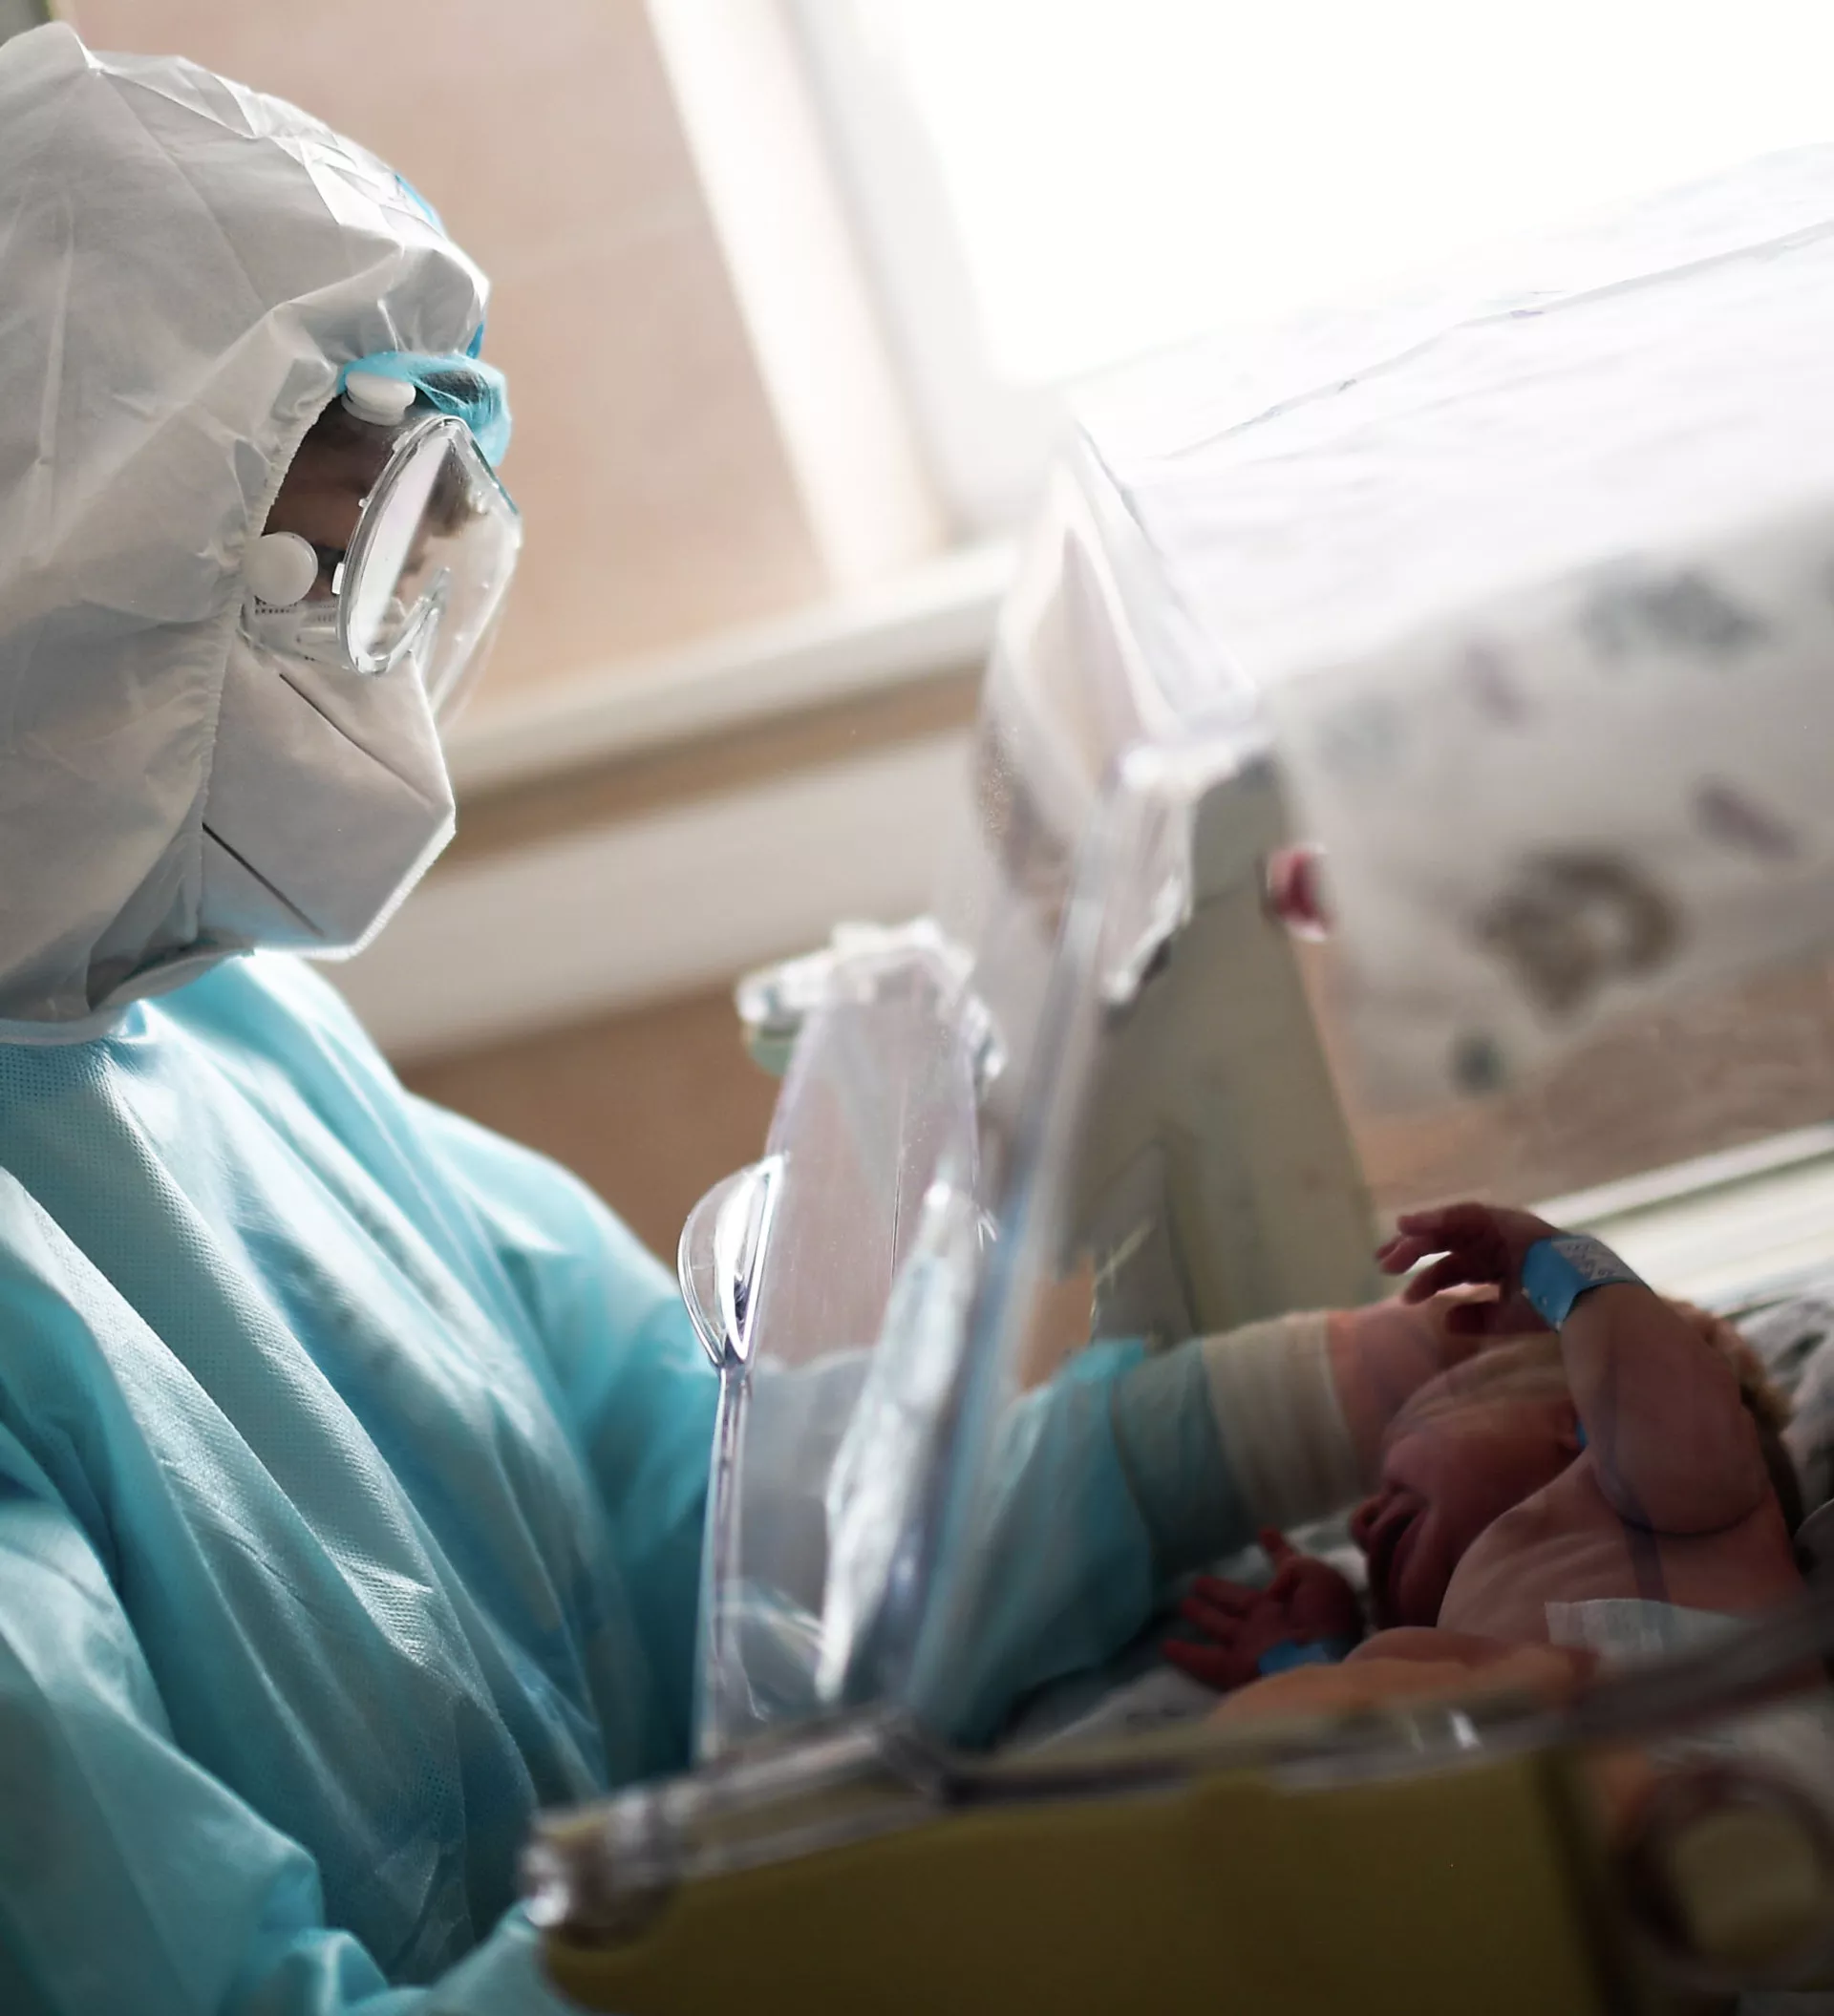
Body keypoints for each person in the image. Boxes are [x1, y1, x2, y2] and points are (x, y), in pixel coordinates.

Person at [0, 25, 1488, 2011]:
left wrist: (1273, 1409)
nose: (378, 691)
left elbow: (724, 1551)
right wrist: (926, 1910)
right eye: (319, 583)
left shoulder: (227, 1033)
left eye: (414, 577)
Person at [1174, 1202, 1806, 1722]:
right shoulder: (1470, 1644)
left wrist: (1554, 1263)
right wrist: (1310, 1661)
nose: (1360, 1523)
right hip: (1553, 1802)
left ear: (1580, 1421)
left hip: (1723, 1788)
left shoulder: (1673, 1498)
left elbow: (1656, 1391)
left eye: (1397, 1465)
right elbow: (1406, 1744)